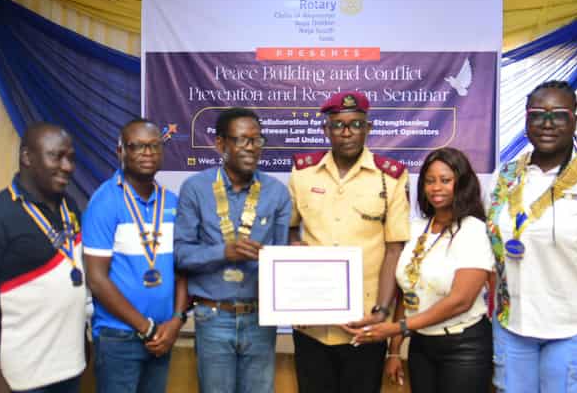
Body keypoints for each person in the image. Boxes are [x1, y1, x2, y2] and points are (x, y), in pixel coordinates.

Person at [288, 91, 410, 393]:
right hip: (311, 322)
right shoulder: (303, 172)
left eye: (356, 124)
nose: (347, 132)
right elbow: (289, 231)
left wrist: (381, 311)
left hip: (365, 322)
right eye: (338, 125)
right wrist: (295, 260)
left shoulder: (391, 177)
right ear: (326, 130)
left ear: (368, 128)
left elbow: (394, 249)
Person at [345, 147, 494, 393]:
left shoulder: (473, 230)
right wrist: (394, 350)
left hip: (463, 346)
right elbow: (408, 293)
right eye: (429, 181)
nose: (436, 188)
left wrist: (398, 328)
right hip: (422, 346)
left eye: (445, 180)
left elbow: (461, 301)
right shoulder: (416, 228)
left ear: (462, 184)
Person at [174, 107, 291, 393]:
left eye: (257, 140)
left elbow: (282, 259)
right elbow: (181, 255)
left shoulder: (276, 192)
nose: (251, 148)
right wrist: (223, 253)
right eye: (241, 140)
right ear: (220, 144)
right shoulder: (195, 189)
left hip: (261, 317)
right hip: (213, 315)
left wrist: (287, 259)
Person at [487, 80, 577, 392]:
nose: (547, 123)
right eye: (538, 114)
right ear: (526, 120)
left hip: (571, 327)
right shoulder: (505, 177)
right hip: (512, 323)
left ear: (575, 120)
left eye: (559, 115)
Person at [83, 119, 188, 393]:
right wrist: (146, 328)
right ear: (120, 151)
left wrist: (177, 320)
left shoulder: (172, 202)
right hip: (119, 337)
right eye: (137, 146)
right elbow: (96, 279)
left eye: (154, 146)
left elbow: (182, 271)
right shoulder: (104, 202)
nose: (147, 153)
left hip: (163, 335)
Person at [0, 123, 87, 393]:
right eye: (56, 156)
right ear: (27, 157)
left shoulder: (69, 206)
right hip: (21, 377)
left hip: (69, 367)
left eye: (71, 158)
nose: (67, 167)